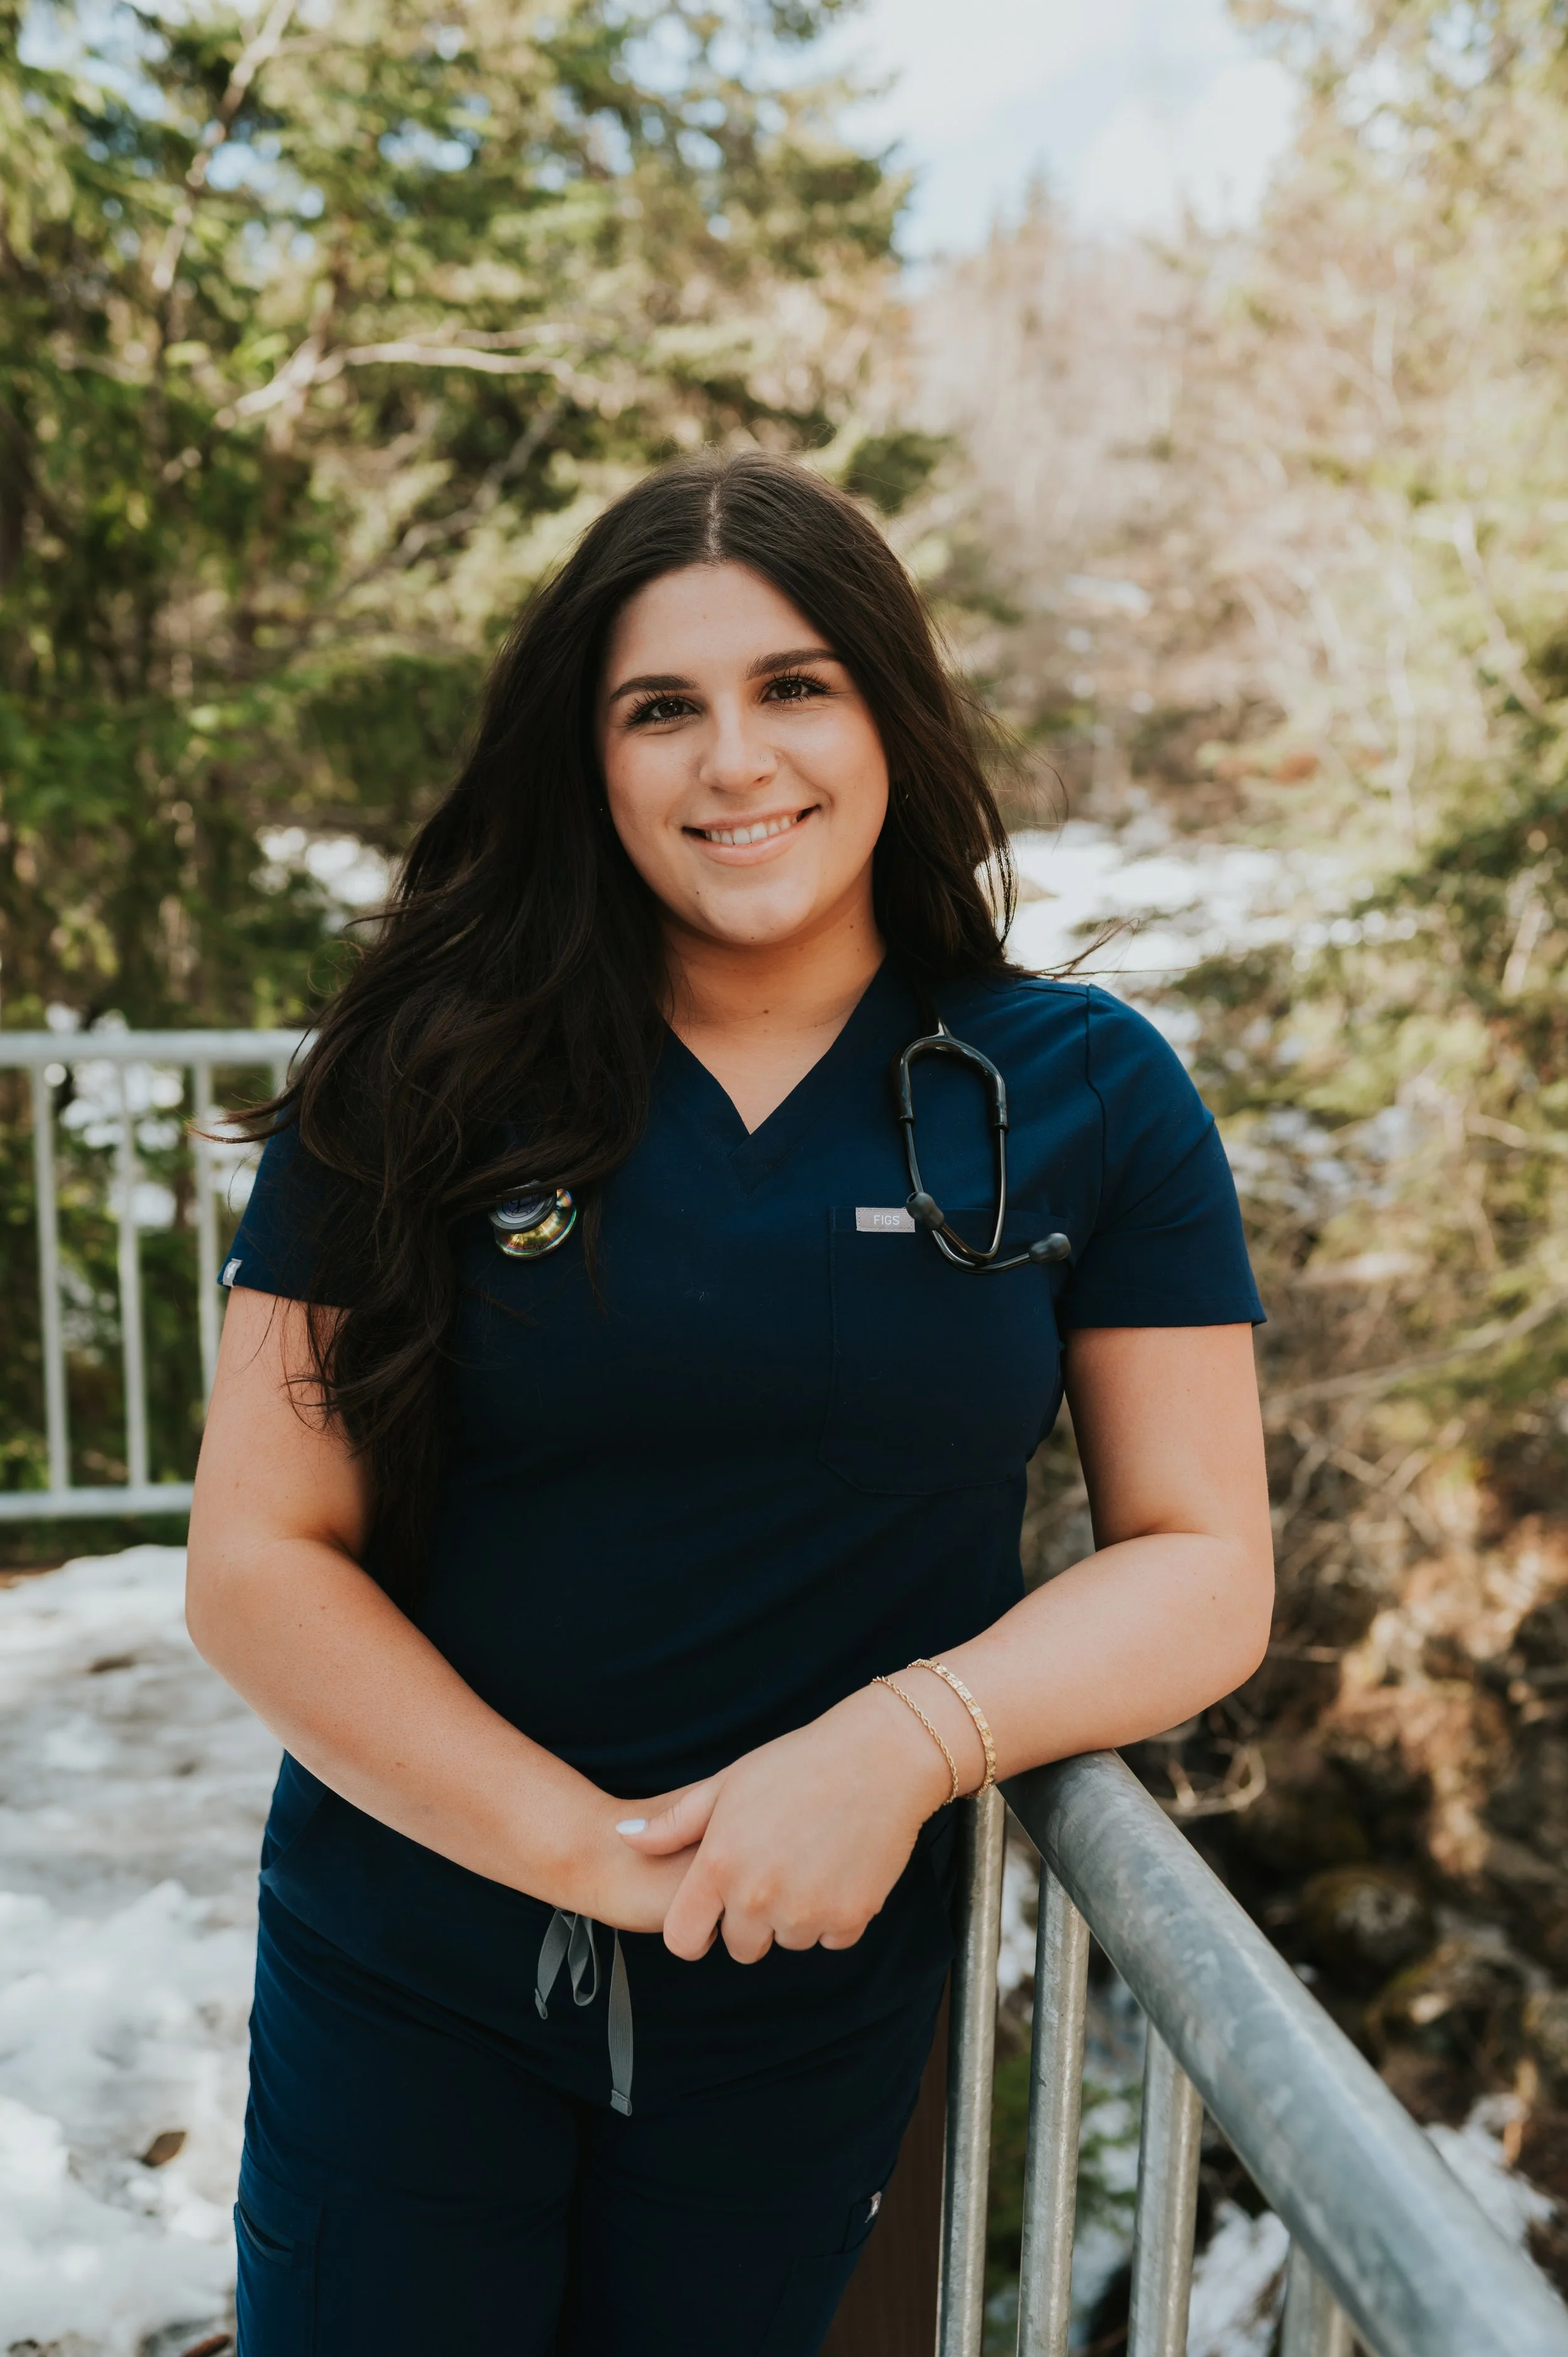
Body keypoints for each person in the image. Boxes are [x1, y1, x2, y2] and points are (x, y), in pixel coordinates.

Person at [186, 450, 1273, 2357]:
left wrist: (906, 1741)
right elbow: (261, 1558)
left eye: (794, 686)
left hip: (805, 1999)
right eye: (660, 707)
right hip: (411, 1961)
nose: (734, 759)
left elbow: (1201, 1563)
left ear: (889, 719)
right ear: (589, 760)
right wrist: (591, 1856)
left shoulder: (1082, 1092)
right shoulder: (418, 1073)